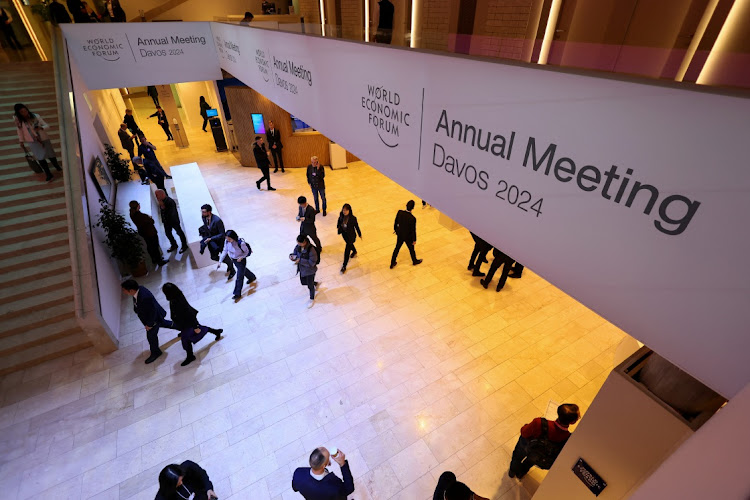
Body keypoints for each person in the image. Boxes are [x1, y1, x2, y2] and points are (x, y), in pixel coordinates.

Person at [509, 403, 581, 479]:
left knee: (517, 457)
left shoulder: (539, 422)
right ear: (573, 422)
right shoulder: (568, 438)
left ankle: (512, 472)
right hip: (539, 455)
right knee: (530, 461)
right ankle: (521, 474)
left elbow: (524, 432)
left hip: (526, 446)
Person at [162, 282, 223, 366]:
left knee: (186, 340)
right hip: (185, 323)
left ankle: (190, 356)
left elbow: (188, 313)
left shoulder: (177, 300)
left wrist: (195, 326)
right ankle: (216, 332)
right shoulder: (176, 296)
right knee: (197, 331)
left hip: (187, 322)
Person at [121, 279, 178, 364]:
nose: (123, 291)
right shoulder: (139, 290)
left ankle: (156, 352)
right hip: (156, 316)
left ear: (131, 290)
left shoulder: (144, 297)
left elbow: (152, 311)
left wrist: (150, 324)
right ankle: (184, 327)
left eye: (124, 290)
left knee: (151, 336)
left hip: (153, 319)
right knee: (165, 323)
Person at [14, 103, 61, 182]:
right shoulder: (19, 121)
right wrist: (21, 141)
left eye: (25, 110)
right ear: (19, 113)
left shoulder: (36, 116)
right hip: (32, 141)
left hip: (43, 138)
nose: (25, 113)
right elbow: (19, 131)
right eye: (22, 112)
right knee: (40, 157)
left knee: (50, 154)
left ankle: (56, 166)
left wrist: (41, 128)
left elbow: (47, 125)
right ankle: (48, 174)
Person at [217, 229, 256, 302]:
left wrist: (241, 257)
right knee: (242, 270)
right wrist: (220, 261)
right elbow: (225, 251)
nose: (228, 240)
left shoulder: (241, 243)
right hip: (234, 260)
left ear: (233, 237)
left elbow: (246, 252)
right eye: (226, 238)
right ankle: (252, 277)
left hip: (241, 260)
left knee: (239, 276)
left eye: (229, 239)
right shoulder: (226, 241)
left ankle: (237, 293)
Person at [129, 200, 169, 268]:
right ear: (137, 206)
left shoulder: (132, 214)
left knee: (150, 246)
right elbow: (152, 221)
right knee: (155, 246)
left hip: (144, 233)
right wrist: (149, 217)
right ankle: (159, 261)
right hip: (150, 232)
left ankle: (154, 259)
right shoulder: (141, 216)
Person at [200, 204, 233, 273]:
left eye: (204, 212)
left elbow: (222, 234)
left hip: (219, 241)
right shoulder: (203, 217)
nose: (202, 213)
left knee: (224, 255)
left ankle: (231, 268)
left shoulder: (217, 220)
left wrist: (211, 238)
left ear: (209, 212)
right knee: (213, 257)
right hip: (212, 241)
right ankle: (229, 263)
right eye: (202, 211)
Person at [390, 200, 422, 269]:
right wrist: (414, 240)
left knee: (397, 248)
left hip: (400, 235)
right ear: (413, 208)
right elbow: (413, 230)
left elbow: (395, 222)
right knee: (411, 249)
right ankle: (414, 261)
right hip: (408, 237)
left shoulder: (400, 212)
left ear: (406, 205)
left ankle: (392, 262)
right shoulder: (412, 218)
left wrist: (396, 230)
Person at [290, 234, 319, 308]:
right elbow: (295, 252)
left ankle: (311, 298)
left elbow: (312, 263)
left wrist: (300, 260)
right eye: (297, 243)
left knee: (310, 286)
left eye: (300, 243)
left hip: (310, 271)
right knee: (303, 282)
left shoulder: (311, 250)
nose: (298, 244)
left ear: (305, 242)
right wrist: (293, 256)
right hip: (302, 269)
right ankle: (315, 283)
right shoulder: (298, 247)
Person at [155, 189, 188, 253]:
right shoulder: (161, 201)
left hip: (173, 221)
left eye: (157, 195)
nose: (156, 196)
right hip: (166, 222)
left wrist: (163, 206)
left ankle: (184, 245)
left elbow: (171, 213)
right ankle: (174, 245)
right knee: (168, 234)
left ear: (162, 194)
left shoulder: (170, 201)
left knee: (179, 233)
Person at [336, 203, 361, 274]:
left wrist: (359, 234)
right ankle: (354, 251)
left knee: (347, 251)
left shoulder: (353, 218)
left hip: (351, 236)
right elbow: (339, 221)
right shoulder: (341, 215)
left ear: (349, 210)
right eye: (344, 210)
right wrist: (338, 226)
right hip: (345, 235)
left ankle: (344, 265)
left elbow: (356, 227)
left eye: (346, 210)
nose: (345, 212)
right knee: (350, 244)